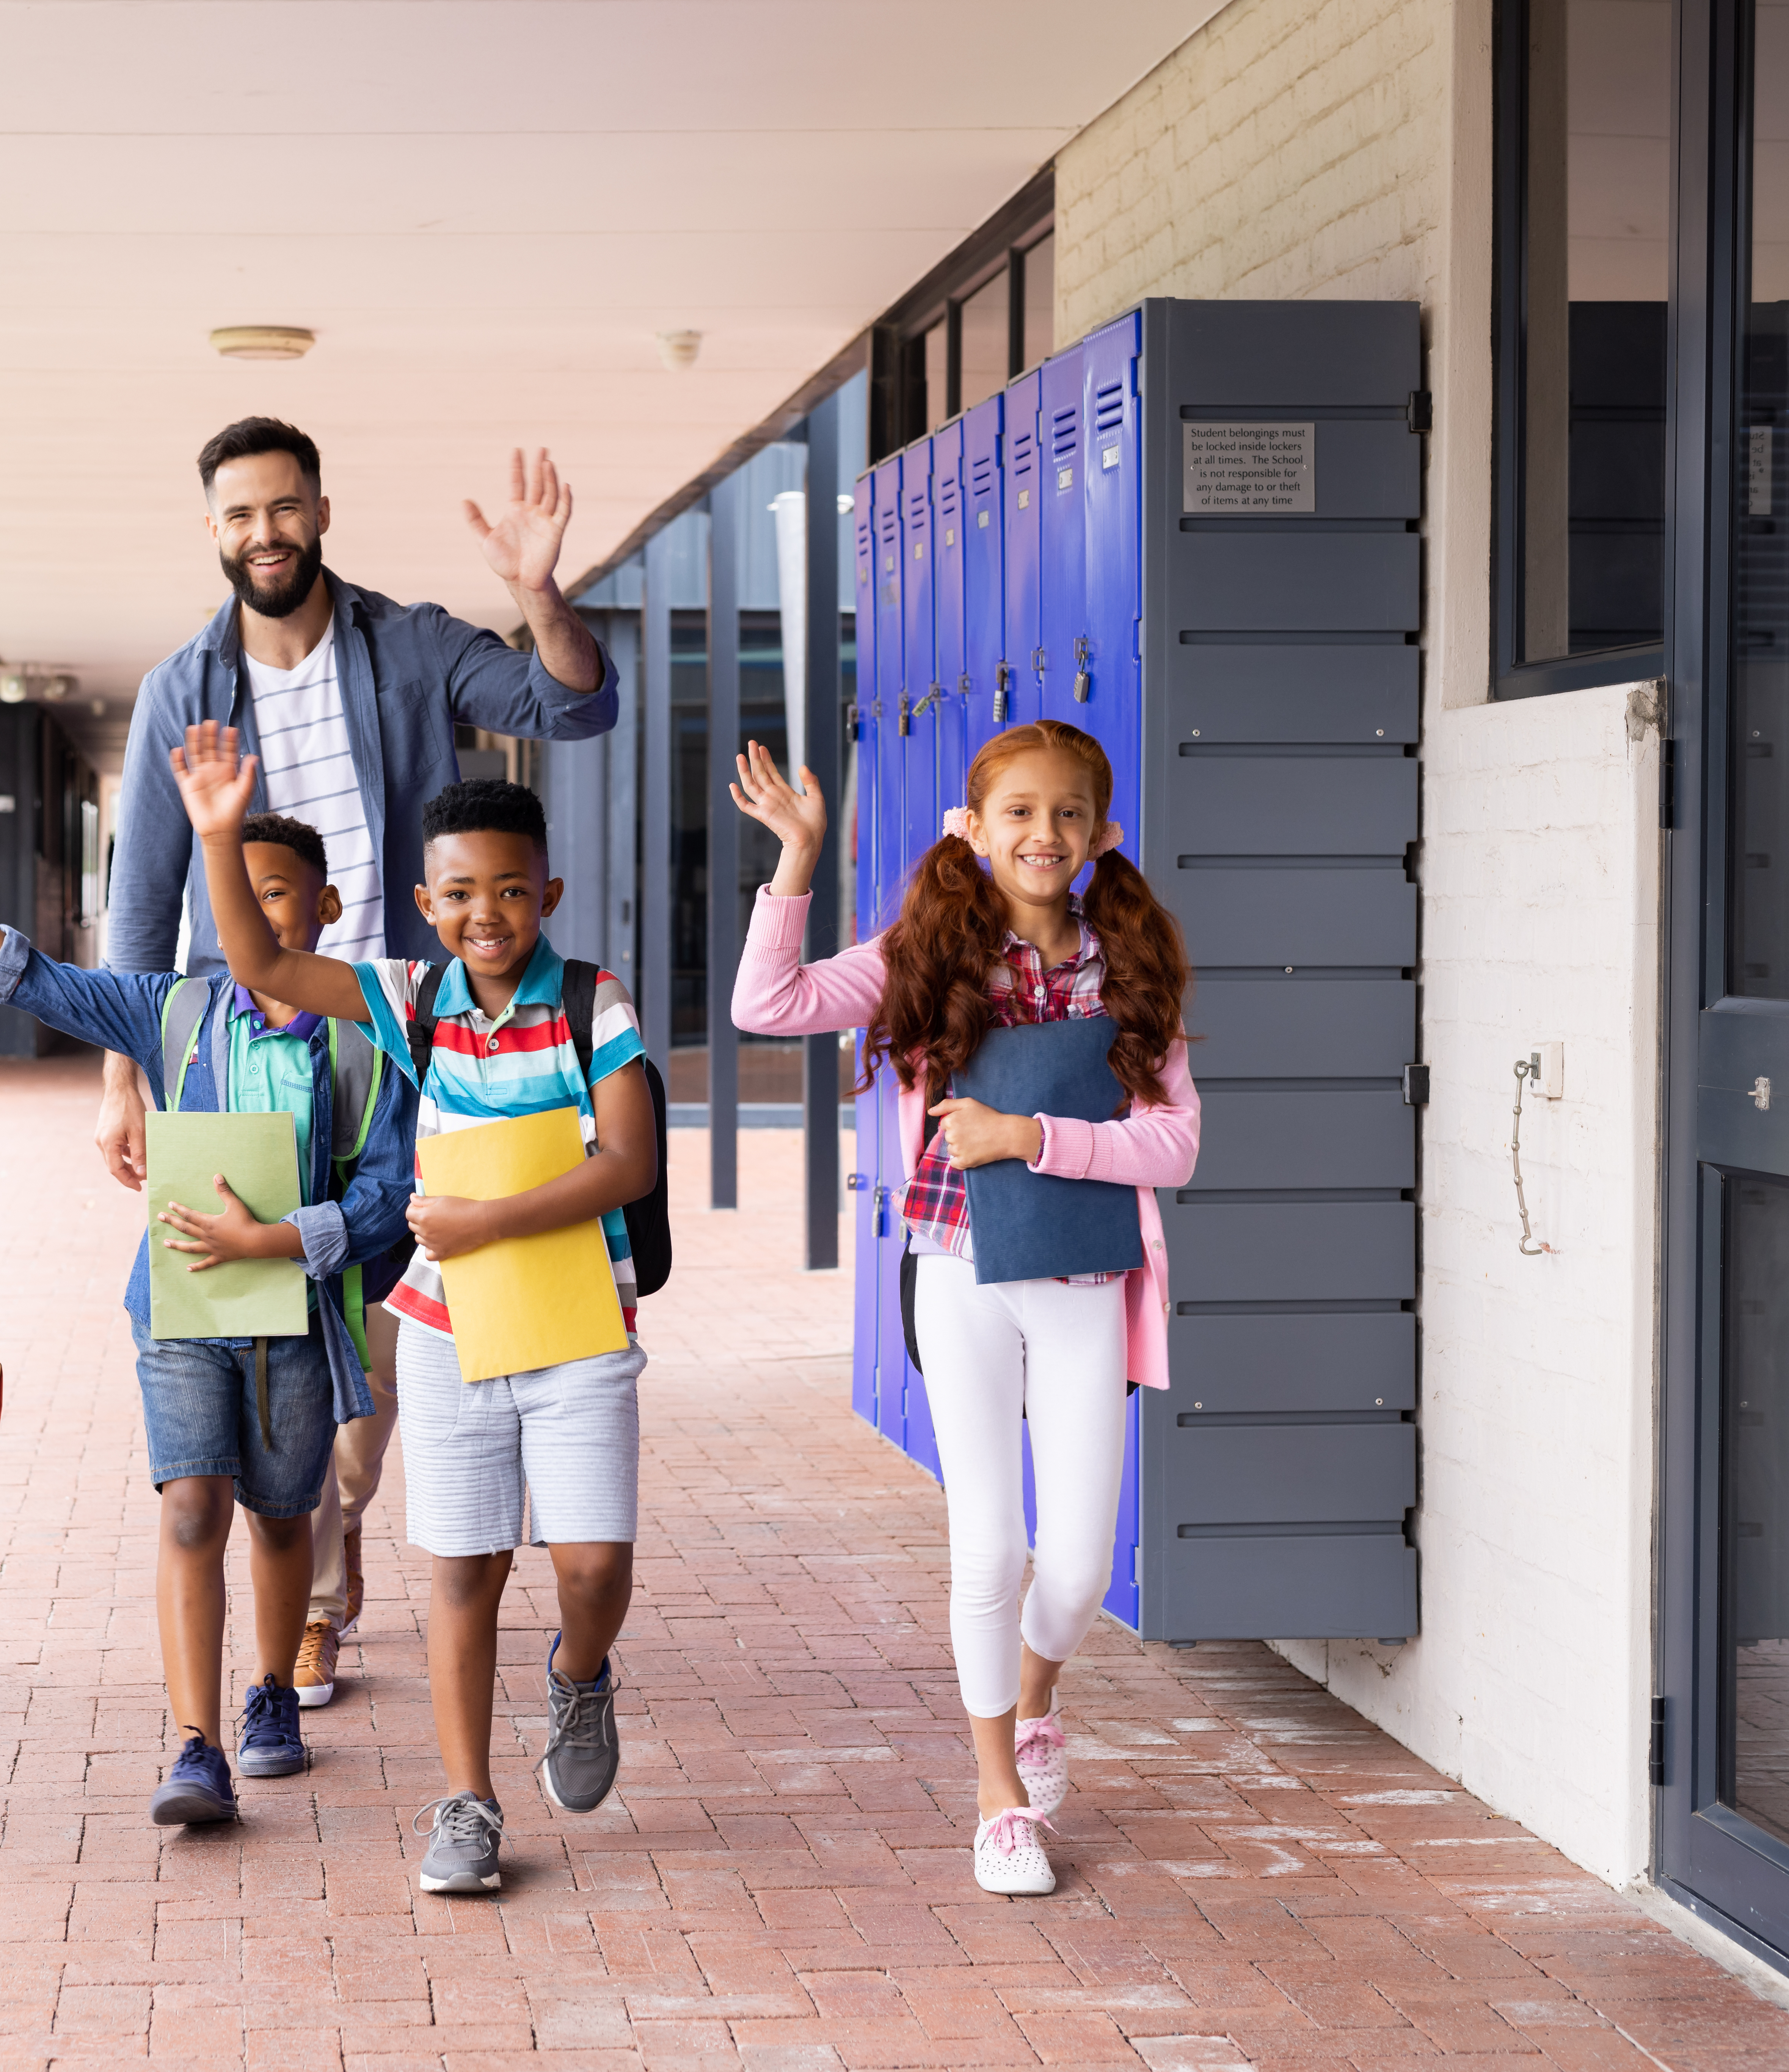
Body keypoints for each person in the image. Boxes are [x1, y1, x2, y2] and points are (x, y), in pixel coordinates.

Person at [96, 418, 621, 1708]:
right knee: (278, 1321)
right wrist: (124, 1073)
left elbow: (575, 702)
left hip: (405, 1034)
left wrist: (539, 593)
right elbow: (144, 886)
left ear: (321, 511)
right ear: (214, 529)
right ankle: (321, 1601)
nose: (262, 533)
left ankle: (361, 1530)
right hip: (256, 1042)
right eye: (238, 515)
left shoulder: (410, 644)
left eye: (282, 508)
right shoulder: (181, 688)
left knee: (380, 1345)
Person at [0, 813, 414, 1826]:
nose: (249, 914)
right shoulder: (174, 1012)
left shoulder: (370, 1038)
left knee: (280, 1514)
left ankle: (272, 1694)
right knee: (191, 1508)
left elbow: (390, 1195)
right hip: (178, 1308)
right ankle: (196, 1744)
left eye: (273, 893)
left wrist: (283, 1240)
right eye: (232, 892)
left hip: (297, 1316)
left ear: (324, 910)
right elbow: (34, 977)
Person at [168, 728, 656, 1897]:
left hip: (579, 1321)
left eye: (508, 891)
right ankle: (469, 1804)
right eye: (457, 893)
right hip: (446, 1332)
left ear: (548, 891)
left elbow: (630, 1162)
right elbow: (271, 969)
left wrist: (496, 1221)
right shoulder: (412, 996)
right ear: (426, 902)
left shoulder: (592, 999)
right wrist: (220, 835)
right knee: (464, 1570)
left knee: (592, 1566)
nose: (484, 913)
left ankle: (581, 1675)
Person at [727, 723, 1198, 1898]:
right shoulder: (923, 954)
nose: (1046, 835)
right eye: (1021, 814)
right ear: (974, 830)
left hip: (1087, 1278)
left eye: (1070, 815)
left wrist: (1030, 1137)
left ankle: (1038, 1696)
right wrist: (797, 855)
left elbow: (1176, 1144)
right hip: (958, 1271)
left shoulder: (1128, 966)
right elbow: (765, 1001)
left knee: (1081, 1568)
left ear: (1103, 833)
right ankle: (998, 1800)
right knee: (990, 1547)